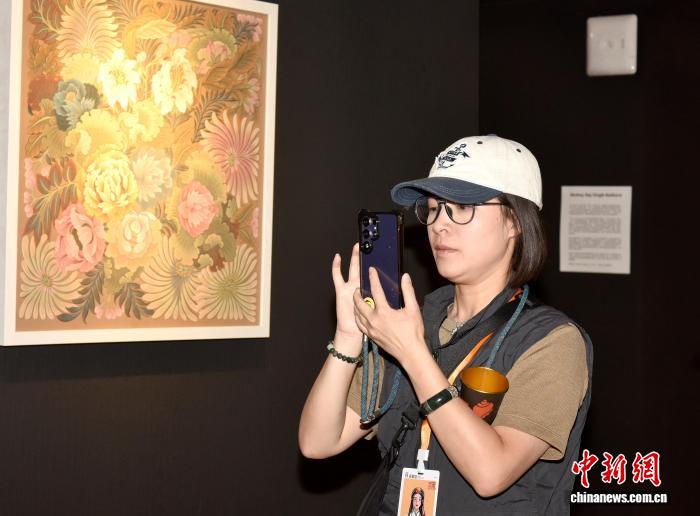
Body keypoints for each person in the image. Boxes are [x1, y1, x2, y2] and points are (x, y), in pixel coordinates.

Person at [299, 135, 592, 515]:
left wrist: (412, 353)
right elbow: (318, 442)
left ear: (514, 222)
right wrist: (348, 336)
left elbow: (491, 473)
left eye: (463, 208)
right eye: (434, 209)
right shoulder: (413, 321)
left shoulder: (551, 341)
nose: (439, 225)